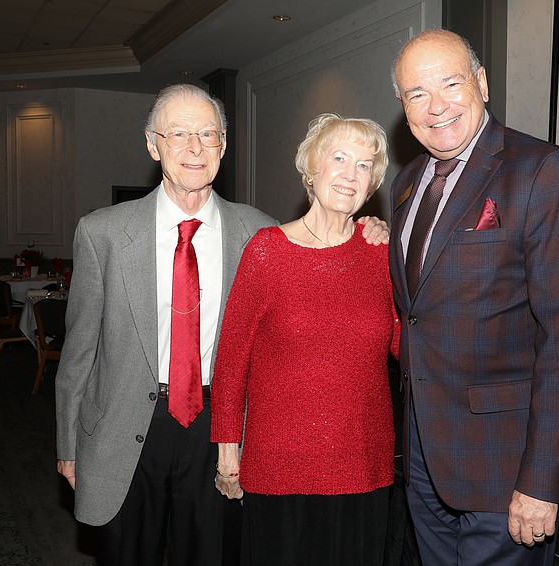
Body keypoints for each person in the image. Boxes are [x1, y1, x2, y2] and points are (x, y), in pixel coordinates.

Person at [55, 84, 389, 566]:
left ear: (224, 147)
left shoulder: (260, 233)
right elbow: (80, 349)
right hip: (125, 425)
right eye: (180, 134)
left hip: (218, 426)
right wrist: (68, 443)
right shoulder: (101, 232)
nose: (195, 148)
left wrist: (368, 228)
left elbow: (323, 267)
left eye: (208, 136)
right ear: (153, 144)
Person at [389, 30, 559, 565]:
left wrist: (542, 479)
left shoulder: (541, 171)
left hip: (506, 467)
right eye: (416, 94)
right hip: (423, 459)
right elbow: (418, 309)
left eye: (450, 83)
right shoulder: (407, 184)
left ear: (482, 83)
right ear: (403, 107)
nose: (435, 106)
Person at [210, 113, 400, 566]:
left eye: (364, 165)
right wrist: (226, 449)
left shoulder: (381, 254)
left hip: (362, 464)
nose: (352, 174)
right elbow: (232, 358)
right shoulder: (266, 251)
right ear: (311, 170)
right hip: (278, 465)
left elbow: (406, 344)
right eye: (339, 158)